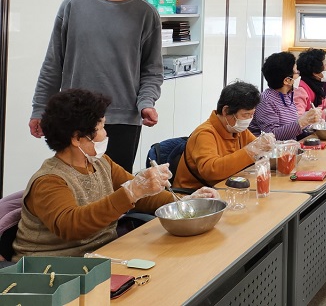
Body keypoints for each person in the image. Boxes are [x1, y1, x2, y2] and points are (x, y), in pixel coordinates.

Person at [13, 89, 216, 259]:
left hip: (103, 254)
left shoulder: (101, 163)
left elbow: (143, 194)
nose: (105, 133)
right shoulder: (49, 180)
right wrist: (130, 192)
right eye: (101, 127)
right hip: (55, 268)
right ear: (76, 138)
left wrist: (184, 202)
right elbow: (72, 226)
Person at [29, 0, 163, 173]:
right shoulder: (73, 5)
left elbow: (152, 70)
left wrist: (146, 103)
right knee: (74, 183)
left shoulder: (146, 14)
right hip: (74, 117)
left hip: (123, 118)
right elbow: (53, 64)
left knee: (117, 187)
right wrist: (40, 108)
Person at [174, 81, 274, 189]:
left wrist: (273, 149)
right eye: (245, 115)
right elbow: (211, 171)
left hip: (226, 188)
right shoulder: (205, 134)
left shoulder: (238, 130)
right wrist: (251, 151)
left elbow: (260, 153)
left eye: (252, 114)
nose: (249, 119)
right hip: (196, 194)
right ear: (226, 111)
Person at [249, 52, 323, 140]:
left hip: (290, 146)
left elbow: (292, 128)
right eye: (296, 72)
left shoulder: (287, 95)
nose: (299, 75)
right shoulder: (266, 101)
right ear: (287, 80)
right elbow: (272, 136)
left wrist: (311, 124)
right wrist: (302, 122)